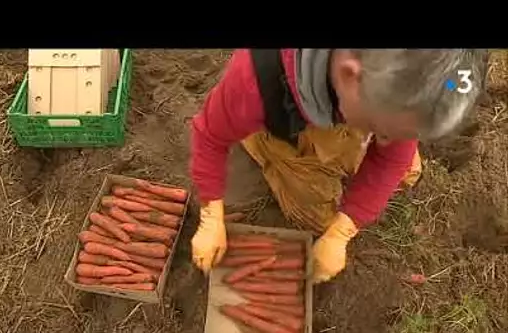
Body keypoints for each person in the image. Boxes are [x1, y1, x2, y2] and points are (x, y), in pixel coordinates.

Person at [189, 49, 487, 283]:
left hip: (355, 106)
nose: (386, 141)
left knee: (405, 169)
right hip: (284, 118)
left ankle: (383, 124)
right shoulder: (254, 82)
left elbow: (452, 81)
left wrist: (342, 231)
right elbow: (209, 136)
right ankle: (259, 143)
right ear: (349, 76)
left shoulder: (414, 79)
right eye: (382, 131)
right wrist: (211, 216)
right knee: (318, 217)